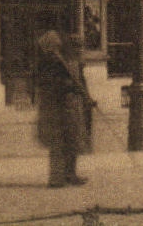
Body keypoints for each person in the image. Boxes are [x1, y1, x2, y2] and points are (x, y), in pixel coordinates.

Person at [34, 30, 92, 188]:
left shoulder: (73, 63)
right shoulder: (53, 63)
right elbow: (48, 84)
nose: (79, 49)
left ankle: (70, 174)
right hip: (58, 107)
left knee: (73, 140)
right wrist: (68, 86)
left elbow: (82, 82)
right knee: (58, 142)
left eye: (81, 46)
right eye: (76, 46)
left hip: (74, 106)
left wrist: (87, 97)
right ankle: (56, 178)